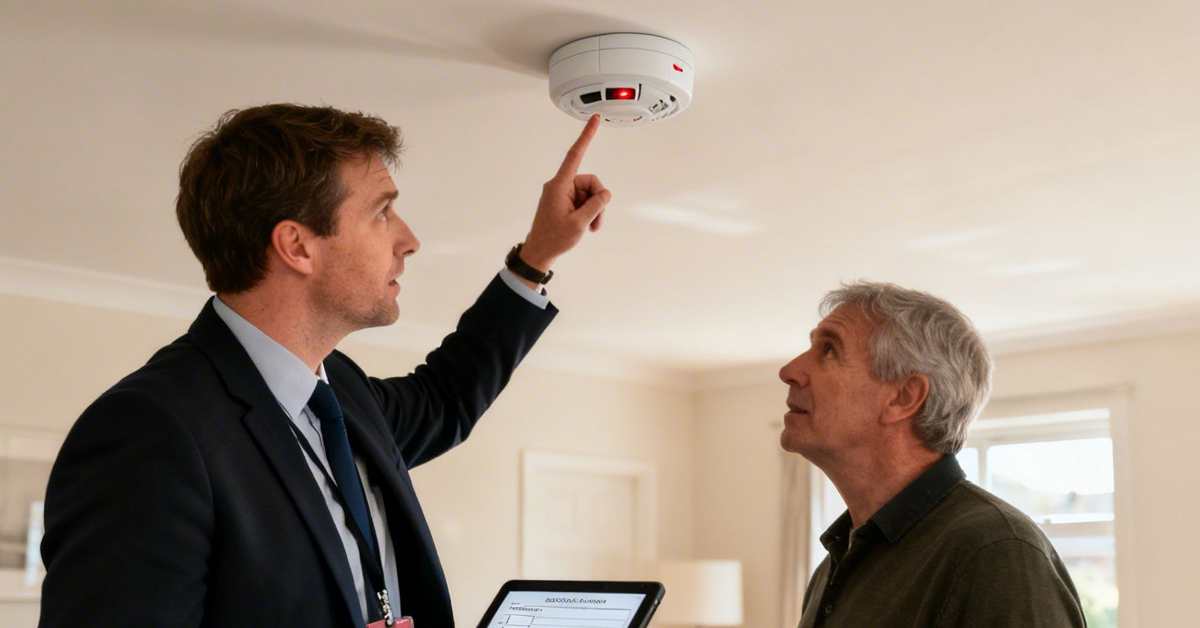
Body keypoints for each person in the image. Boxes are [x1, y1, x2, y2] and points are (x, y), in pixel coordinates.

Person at [38, 104, 611, 628]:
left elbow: (447, 397)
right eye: (383, 212)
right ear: (297, 246)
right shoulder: (149, 431)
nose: (409, 240)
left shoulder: (346, 395)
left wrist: (536, 257)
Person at [779, 282, 1086, 627]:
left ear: (903, 397)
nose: (789, 370)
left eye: (830, 350)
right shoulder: (834, 567)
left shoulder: (997, 553)